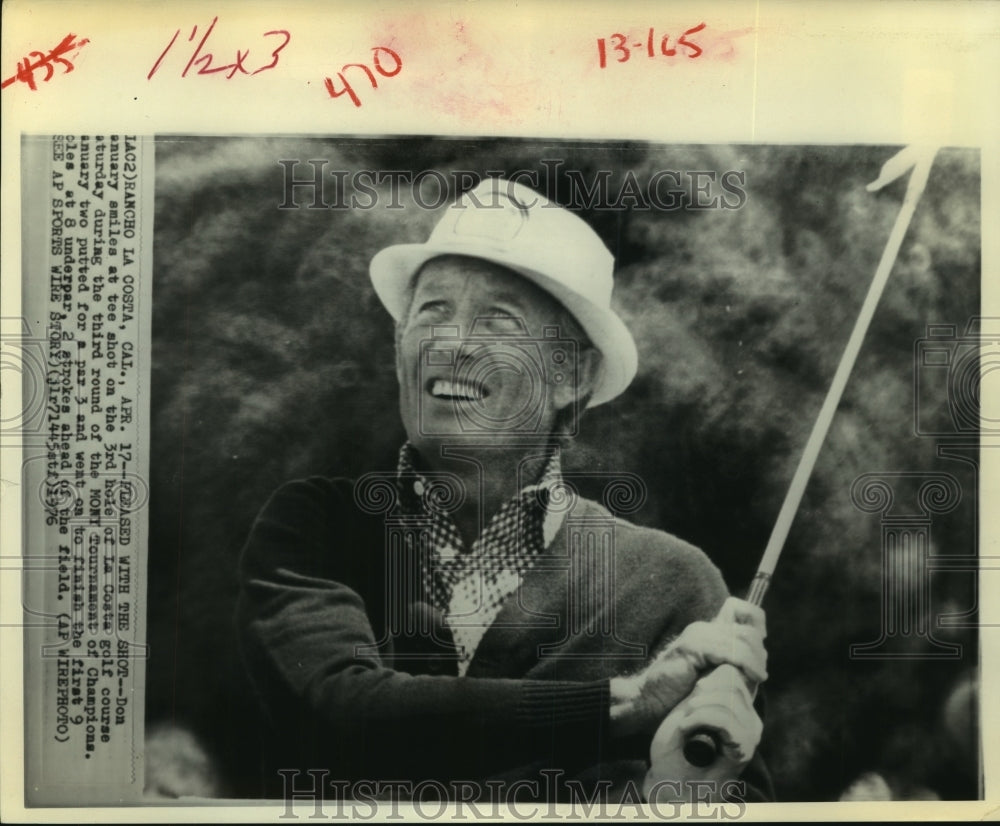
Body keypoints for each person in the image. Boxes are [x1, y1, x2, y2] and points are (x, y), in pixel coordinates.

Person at [236, 178, 771, 804]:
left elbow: (731, 798)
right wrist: (625, 704)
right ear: (399, 345)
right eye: (432, 310)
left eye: (498, 320)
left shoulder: (674, 583)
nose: (452, 343)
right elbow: (342, 713)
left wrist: (676, 795)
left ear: (572, 373)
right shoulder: (315, 527)